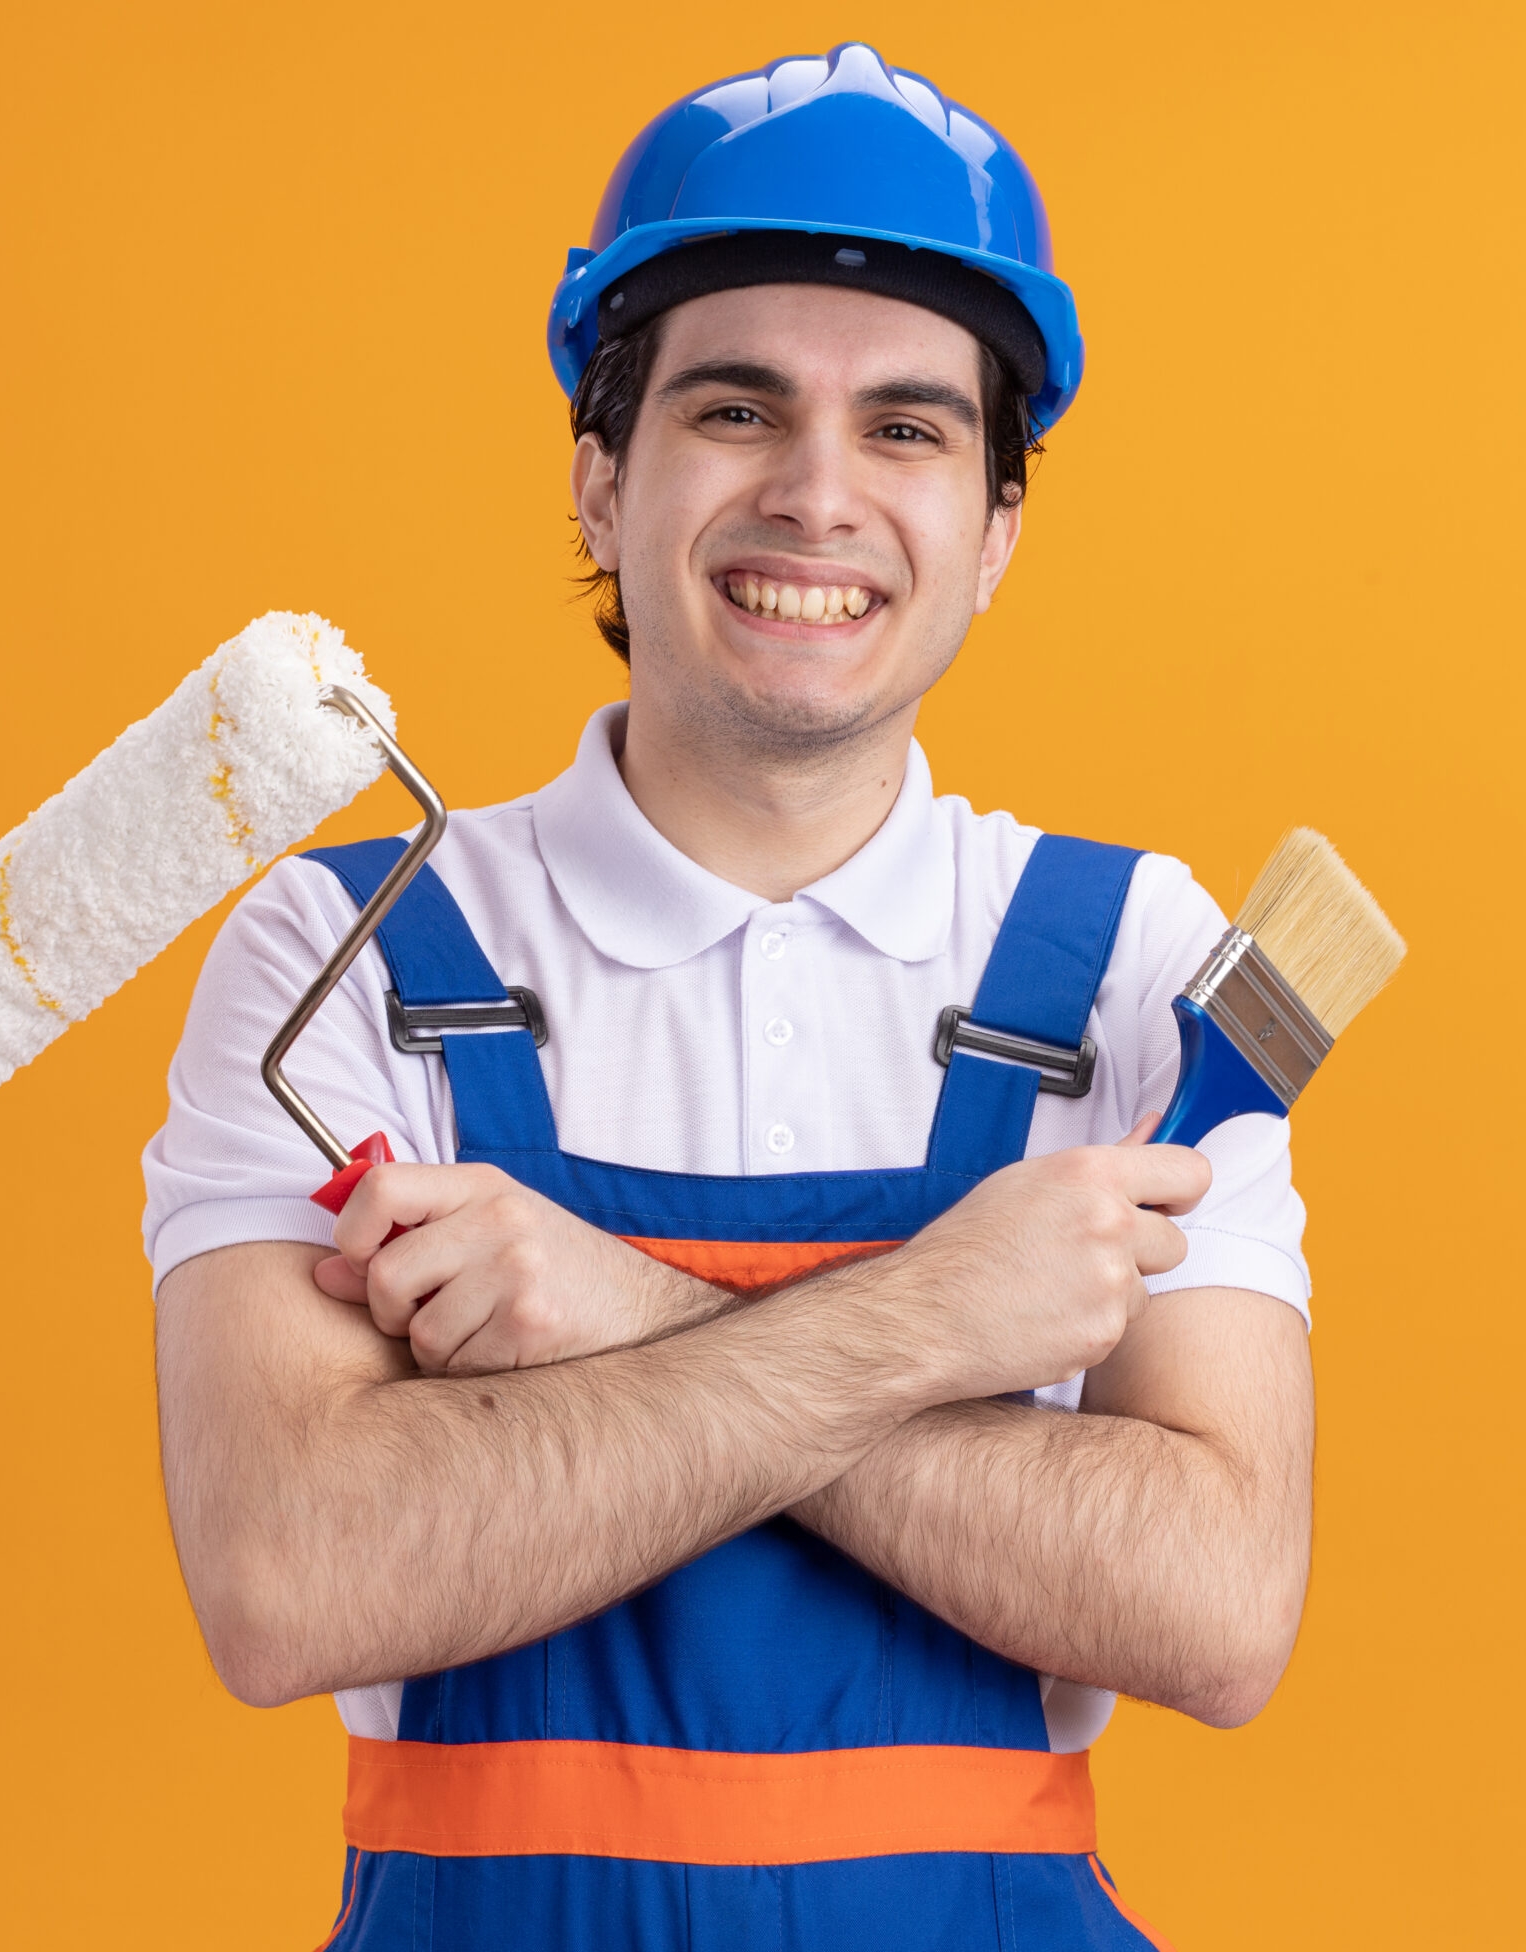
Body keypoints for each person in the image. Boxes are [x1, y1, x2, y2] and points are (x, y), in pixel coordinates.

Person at [144, 42, 1313, 1951]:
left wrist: (604, 1315)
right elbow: (291, 1575)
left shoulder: (1143, 968)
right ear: (604, 482)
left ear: (998, 530)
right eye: (738, 408)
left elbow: (1216, 1606)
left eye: (912, 429)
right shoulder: (341, 952)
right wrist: (940, 1317)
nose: (817, 495)